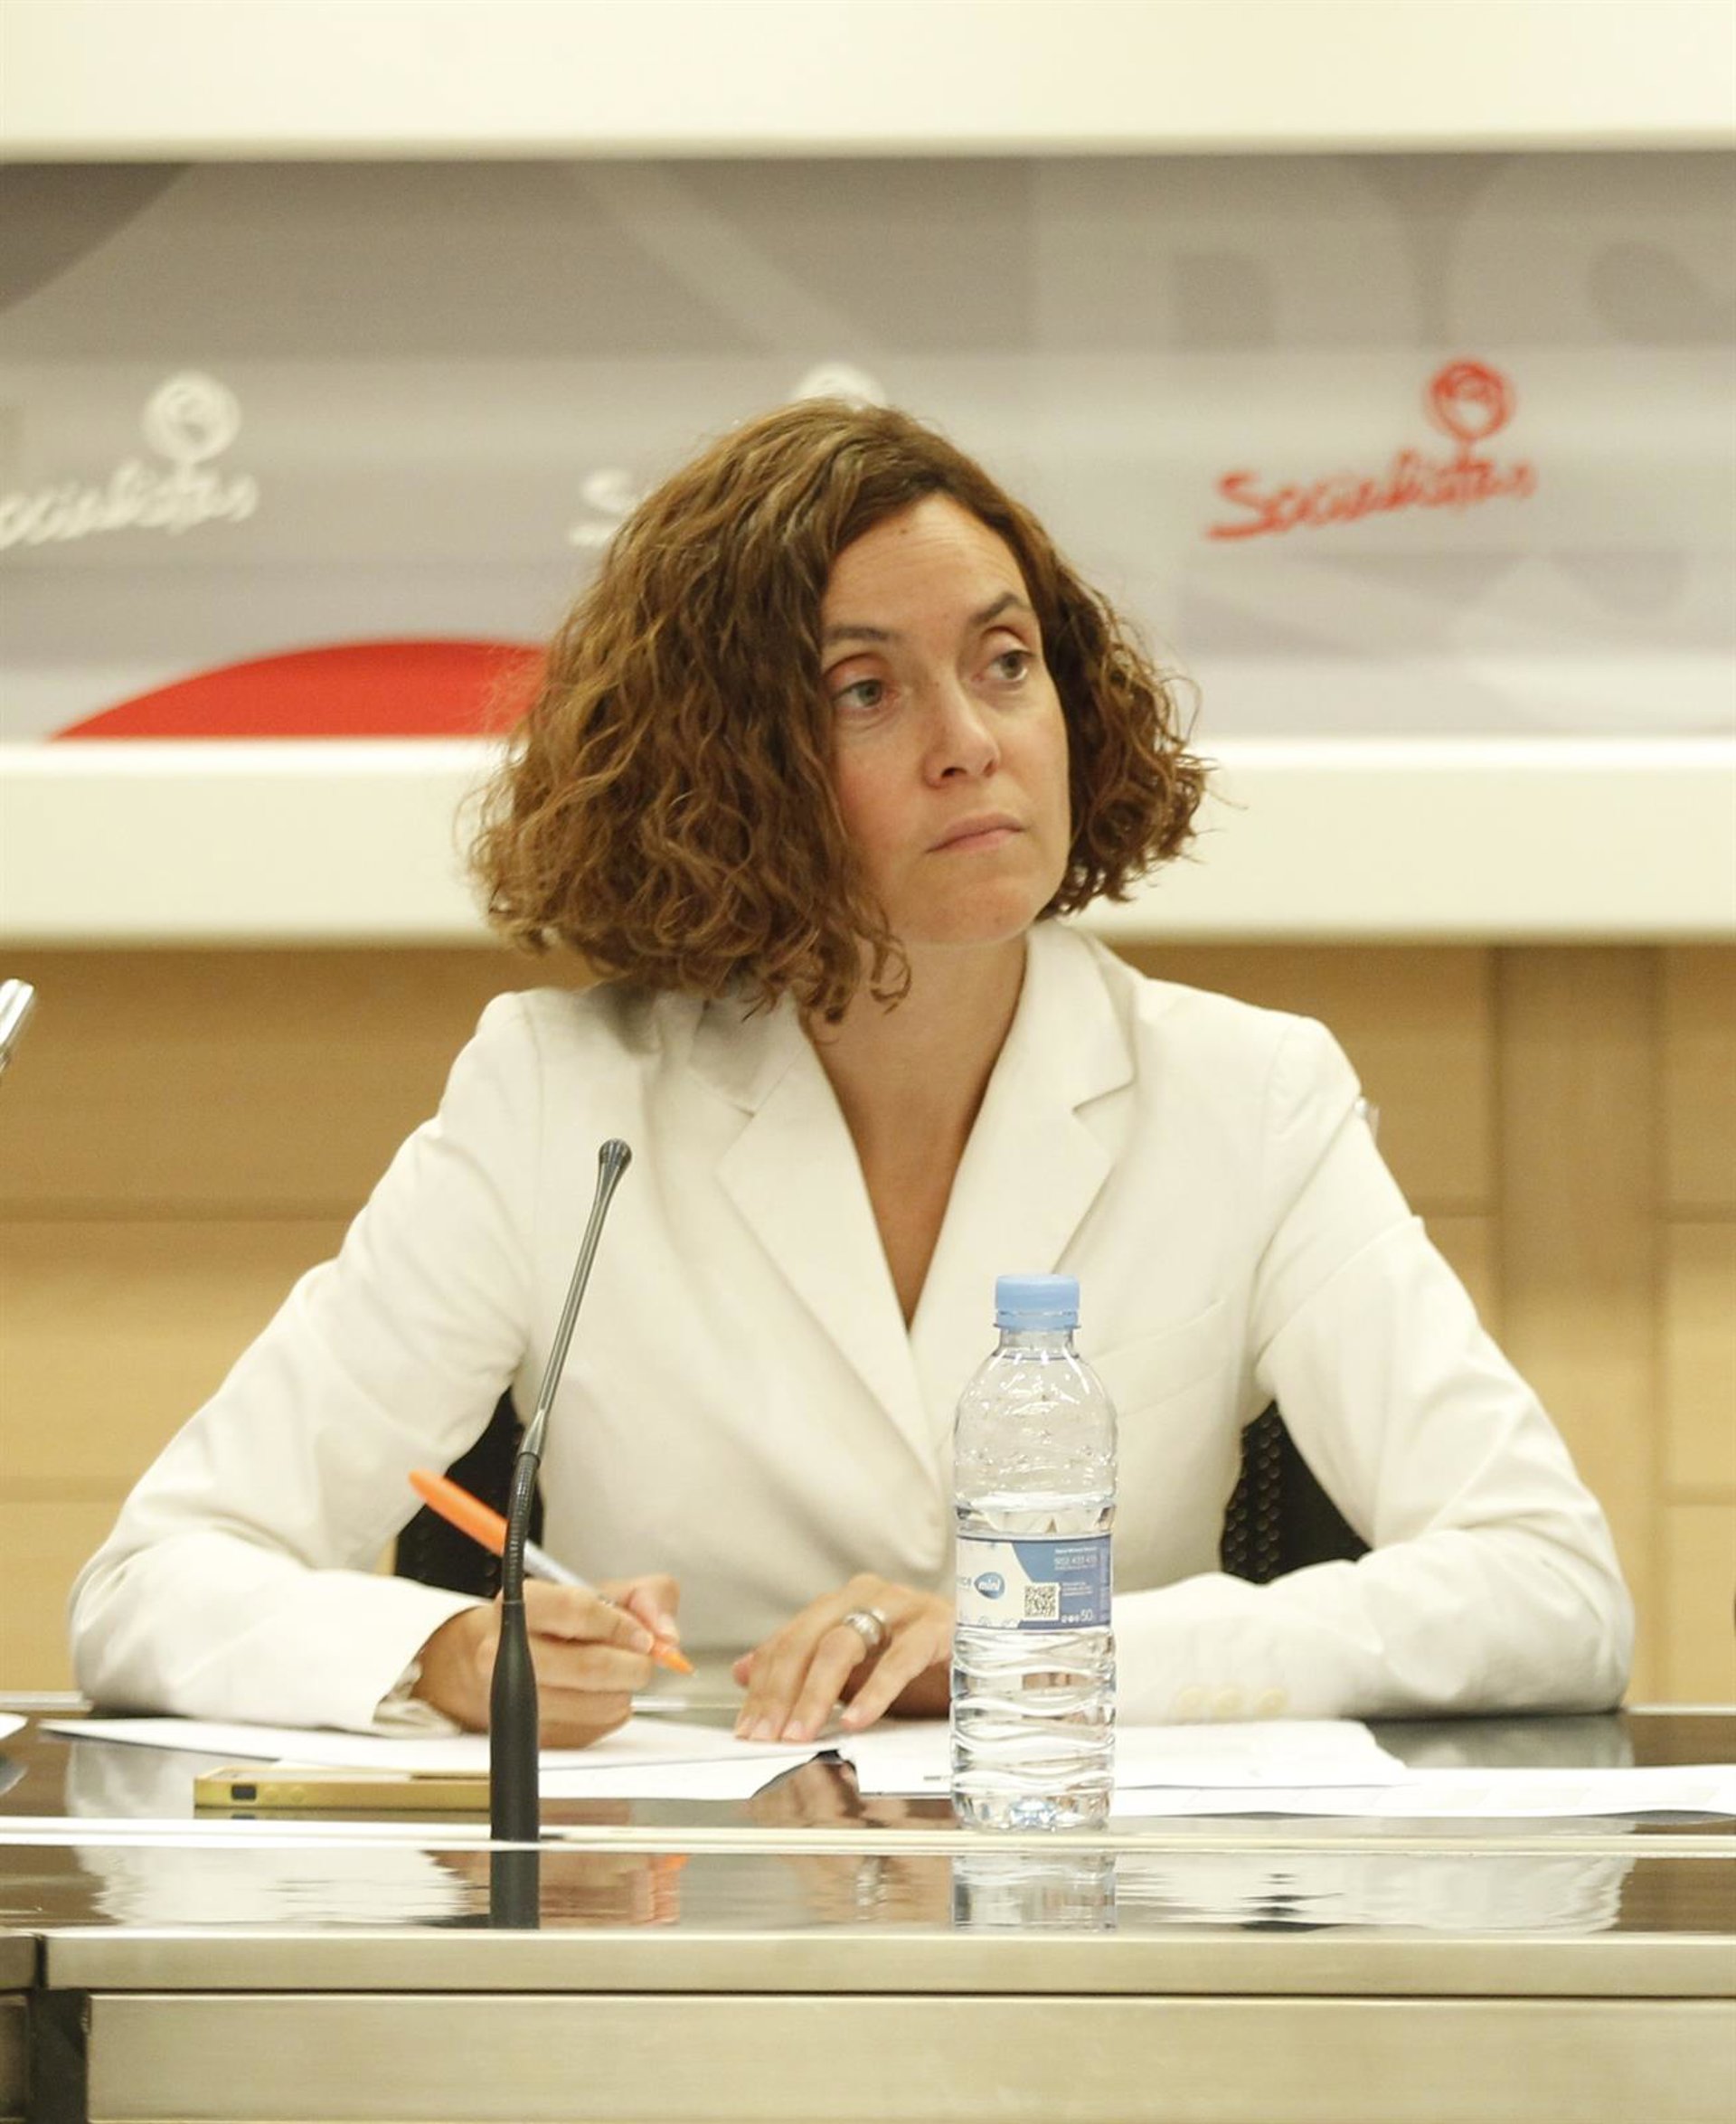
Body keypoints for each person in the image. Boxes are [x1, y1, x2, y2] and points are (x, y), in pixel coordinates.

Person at [69, 401, 1632, 1746]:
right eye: (865, 690)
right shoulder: (558, 1096)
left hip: (1097, 1916)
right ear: (726, 766)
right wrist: (443, 1649)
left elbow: (1552, 1588)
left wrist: (1044, 1648)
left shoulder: (1249, 1095)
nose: (971, 741)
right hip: (678, 1927)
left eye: (1005, 662)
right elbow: (155, 1581)